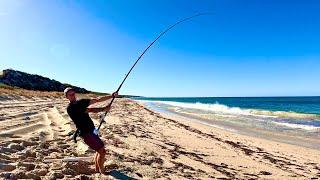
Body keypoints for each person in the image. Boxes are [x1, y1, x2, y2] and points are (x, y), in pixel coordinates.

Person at [64, 87, 118, 174]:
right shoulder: (70, 108)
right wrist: (104, 109)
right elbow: (90, 110)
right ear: (66, 97)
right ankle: (102, 171)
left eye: (73, 93)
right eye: (70, 94)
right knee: (102, 151)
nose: (73, 95)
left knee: (100, 150)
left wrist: (111, 96)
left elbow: (97, 99)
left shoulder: (81, 102)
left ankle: (98, 169)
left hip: (92, 129)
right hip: (86, 133)